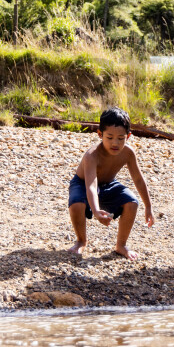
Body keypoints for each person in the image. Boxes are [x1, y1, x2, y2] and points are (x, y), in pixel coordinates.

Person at [67, 107, 155, 260]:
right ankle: (81, 241)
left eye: (121, 138)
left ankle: (121, 245)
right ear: (100, 134)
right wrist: (96, 210)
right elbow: (91, 186)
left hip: (108, 184)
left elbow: (138, 179)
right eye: (109, 137)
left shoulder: (128, 153)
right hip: (83, 184)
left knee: (132, 202)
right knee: (76, 204)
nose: (115, 143)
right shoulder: (92, 156)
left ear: (128, 136)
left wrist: (148, 206)